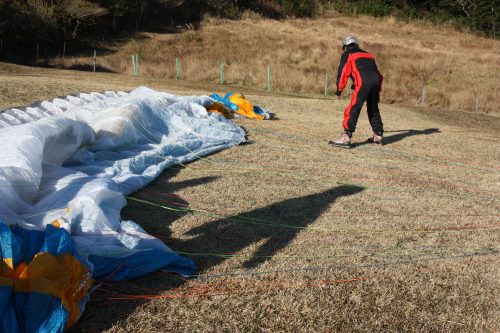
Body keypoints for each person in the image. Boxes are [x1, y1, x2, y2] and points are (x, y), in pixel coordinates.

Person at [329, 35, 384, 148]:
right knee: (373, 108)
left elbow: (343, 72)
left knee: (354, 108)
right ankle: (378, 135)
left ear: (346, 46)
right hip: (376, 82)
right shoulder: (369, 55)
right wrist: (378, 88)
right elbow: (378, 74)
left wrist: (339, 90)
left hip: (363, 83)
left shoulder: (348, 54)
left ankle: (346, 137)